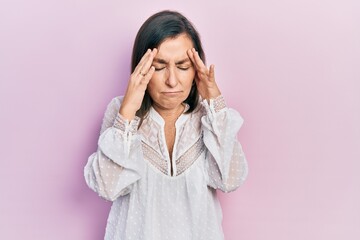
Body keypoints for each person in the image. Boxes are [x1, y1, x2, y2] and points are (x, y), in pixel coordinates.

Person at [84, 10, 248, 240]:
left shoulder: (210, 119)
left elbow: (230, 180)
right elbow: (107, 187)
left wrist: (215, 105)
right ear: (141, 68)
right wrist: (128, 111)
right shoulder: (121, 114)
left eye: (182, 66)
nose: (172, 80)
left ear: (196, 69)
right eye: (159, 67)